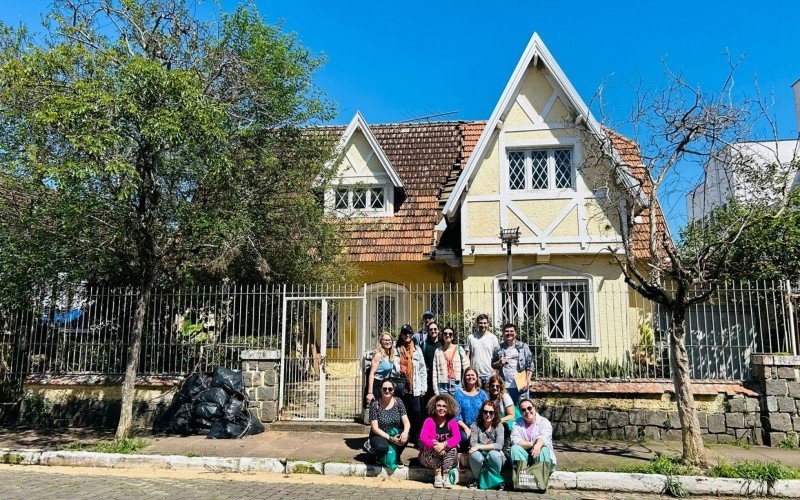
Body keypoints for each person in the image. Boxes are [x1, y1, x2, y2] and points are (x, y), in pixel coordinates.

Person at [418, 394, 461, 489]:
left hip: (446, 455)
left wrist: (444, 444)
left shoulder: (452, 422)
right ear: (434, 407)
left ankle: (446, 475)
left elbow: (457, 437)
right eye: (439, 405)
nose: (441, 408)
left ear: (449, 408)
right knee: (431, 443)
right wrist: (435, 445)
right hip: (430, 456)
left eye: (444, 406)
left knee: (453, 447)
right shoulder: (429, 420)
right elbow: (423, 437)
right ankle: (437, 474)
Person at [365, 379, 411, 466]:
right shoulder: (375, 405)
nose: (387, 391)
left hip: (394, 431)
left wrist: (405, 432)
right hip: (379, 434)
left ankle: (397, 456)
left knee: (405, 437)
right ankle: (378, 456)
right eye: (384, 389)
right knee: (382, 448)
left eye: (390, 389)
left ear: (393, 390)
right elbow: (375, 428)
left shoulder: (398, 402)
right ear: (380, 390)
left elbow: (406, 421)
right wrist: (391, 439)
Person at [397, 324, 427, 446]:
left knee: (417, 413)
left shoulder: (417, 350)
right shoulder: (397, 349)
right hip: (402, 387)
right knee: (403, 414)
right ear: (401, 335)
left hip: (415, 387)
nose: (407, 335)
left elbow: (422, 369)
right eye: (404, 333)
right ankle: (405, 436)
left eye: (409, 333)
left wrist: (423, 387)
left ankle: (417, 437)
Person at [453, 367, 488, 469]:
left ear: (477, 377)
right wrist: (466, 428)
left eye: (473, 375)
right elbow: (456, 414)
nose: (470, 377)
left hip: (480, 426)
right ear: (464, 378)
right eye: (468, 375)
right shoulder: (458, 393)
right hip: (464, 427)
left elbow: (487, 410)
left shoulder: (482, 393)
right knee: (464, 438)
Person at [510, 398, 557, 470]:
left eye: (529, 408)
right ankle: (522, 475)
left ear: (534, 409)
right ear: (521, 412)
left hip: (540, 455)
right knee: (515, 448)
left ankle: (541, 477)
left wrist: (538, 445)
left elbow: (544, 436)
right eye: (523, 410)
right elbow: (515, 439)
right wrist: (531, 444)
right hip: (525, 455)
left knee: (543, 449)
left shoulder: (544, 422)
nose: (527, 411)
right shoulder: (516, 423)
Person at [491, 323, 533, 404]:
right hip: (504, 386)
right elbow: (493, 365)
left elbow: (530, 365)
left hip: (521, 385)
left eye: (511, 331)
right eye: (506, 331)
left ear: (515, 333)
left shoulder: (523, 346)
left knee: (523, 409)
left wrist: (527, 381)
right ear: (503, 333)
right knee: (507, 410)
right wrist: (499, 363)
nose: (509, 333)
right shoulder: (498, 348)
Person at [468, 401, 506, 489]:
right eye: (485, 412)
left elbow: (499, 445)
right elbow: (473, 443)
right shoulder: (475, 425)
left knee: (494, 455)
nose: (488, 415)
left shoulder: (499, 425)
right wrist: (488, 447)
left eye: (491, 412)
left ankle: (496, 481)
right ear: (482, 413)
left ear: (495, 413)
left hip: (494, 455)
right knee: (474, 455)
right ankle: (478, 480)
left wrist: (479, 446)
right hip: (480, 454)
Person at [432, 326, 469, 395]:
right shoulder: (438, 351)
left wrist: (465, 384)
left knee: (456, 405)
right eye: (445, 333)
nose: (447, 335)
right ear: (442, 336)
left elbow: (466, 368)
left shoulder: (459, 349)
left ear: (452, 336)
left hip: (456, 384)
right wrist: (436, 390)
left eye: (450, 334)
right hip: (442, 385)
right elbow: (434, 371)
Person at [366, 332, 400, 405]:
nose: (387, 342)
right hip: (377, 385)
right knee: (377, 409)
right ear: (381, 342)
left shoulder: (390, 355)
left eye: (389, 340)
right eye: (385, 340)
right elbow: (371, 374)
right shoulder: (378, 355)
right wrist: (370, 392)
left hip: (385, 384)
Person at [465, 313, 500, 386]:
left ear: (488, 324)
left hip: (489, 374)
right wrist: (469, 371)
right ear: (477, 324)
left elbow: (497, 357)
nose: (483, 325)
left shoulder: (493, 338)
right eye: (480, 323)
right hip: (475, 375)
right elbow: (467, 356)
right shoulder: (471, 337)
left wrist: (495, 371)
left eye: (485, 323)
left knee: (488, 397)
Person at [418, 321, 442, 409]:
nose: (433, 331)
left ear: (438, 330)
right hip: (427, 380)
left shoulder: (442, 345)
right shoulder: (424, 345)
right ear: (428, 331)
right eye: (431, 329)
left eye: (435, 329)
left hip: (439, 379)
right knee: (427, 404)